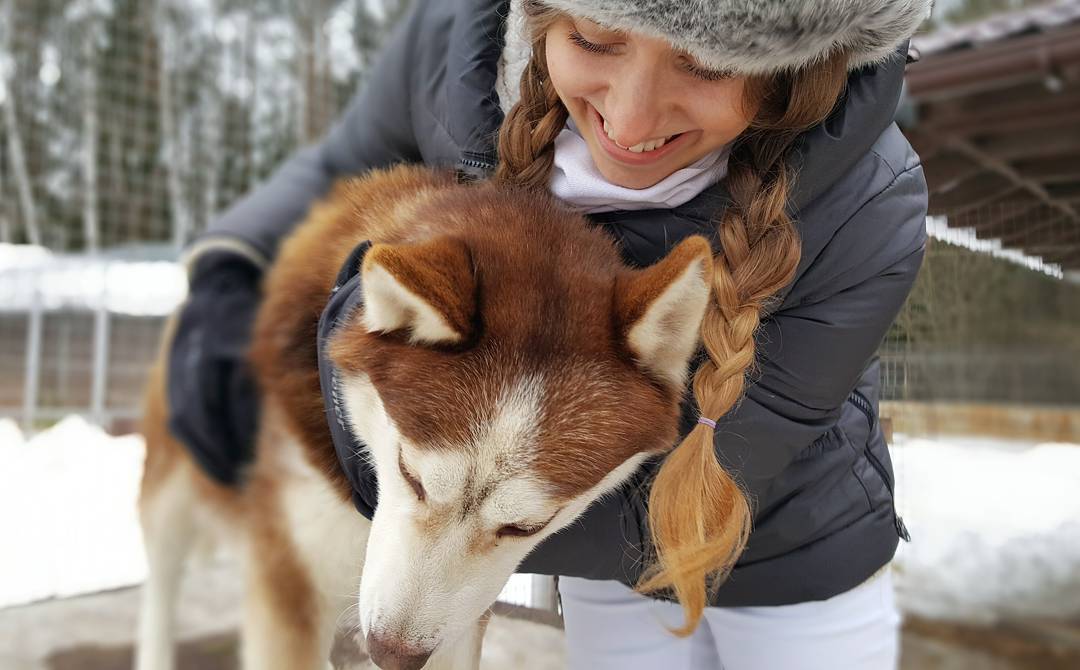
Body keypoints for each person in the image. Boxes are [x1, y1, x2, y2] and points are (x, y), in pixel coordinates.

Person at [166, 0, 932, 667]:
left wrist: (340, 429)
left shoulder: (870, 206)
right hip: (600, 564)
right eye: (596, 39)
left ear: (796, 72)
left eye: (703, 63)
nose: (630, 121)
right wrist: (232, 271)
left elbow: (673, 507)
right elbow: (341, 162)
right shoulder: (456, 46)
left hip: (798, 555)